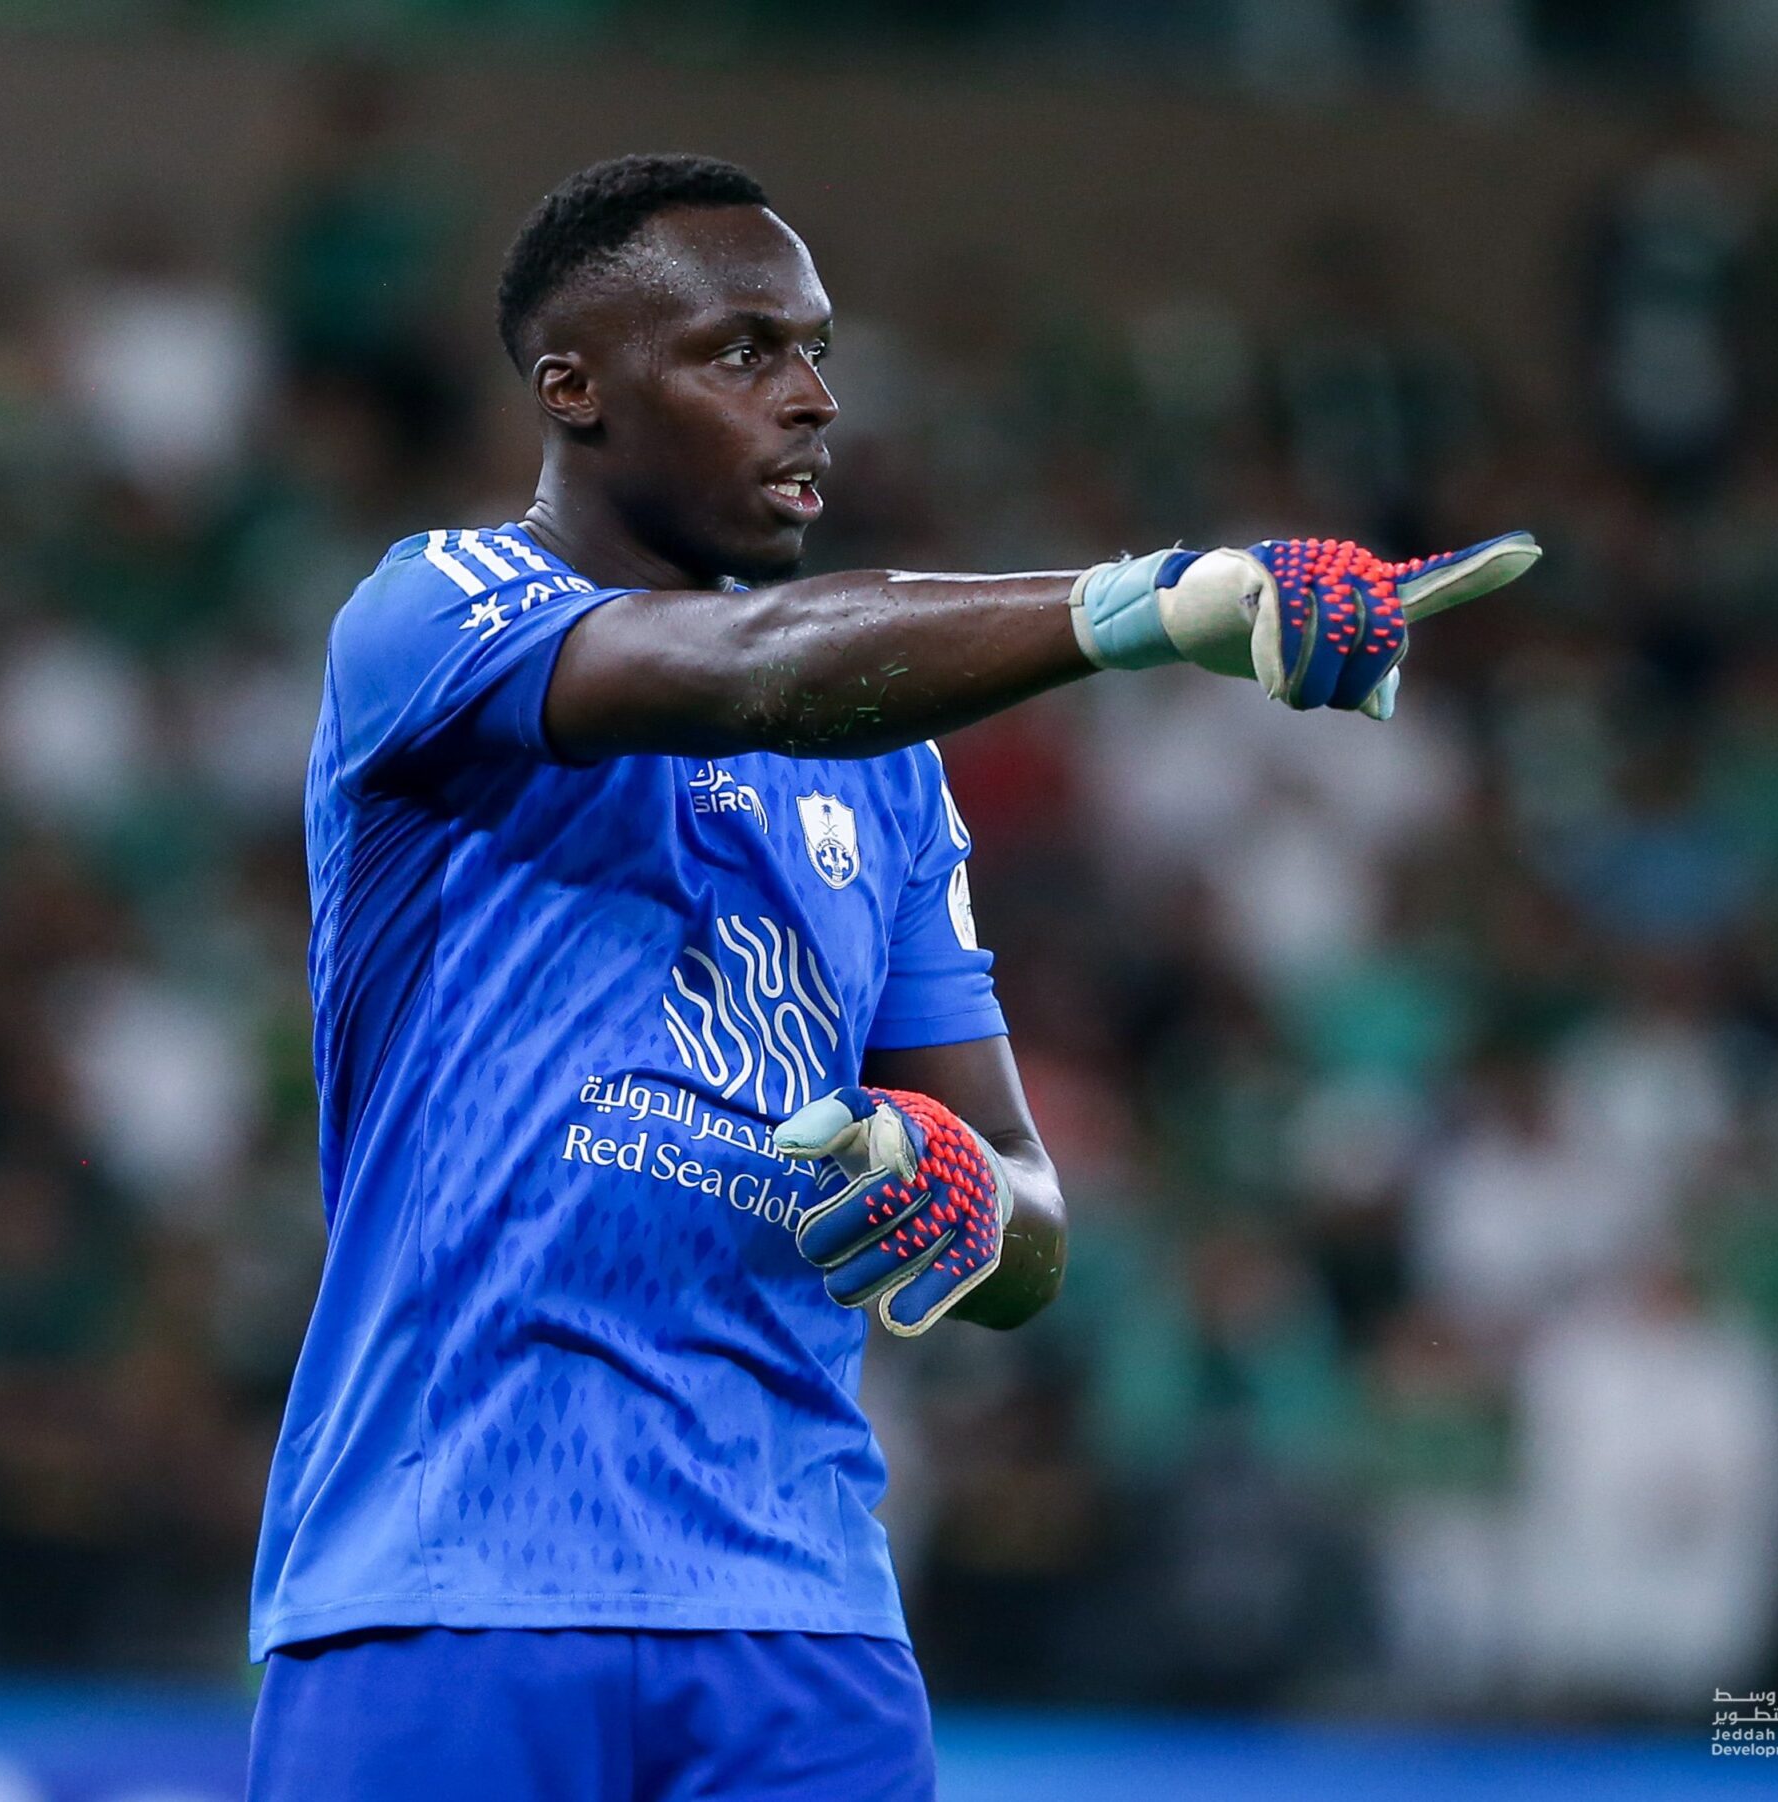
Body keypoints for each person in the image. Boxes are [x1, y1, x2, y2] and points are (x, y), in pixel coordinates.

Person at [246, 152, 1535, 1801]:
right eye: (743, 352)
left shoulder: (891, 775)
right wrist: (1141, 607)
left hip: (804, 1623)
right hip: (448, 1584)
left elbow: (1027, 1216)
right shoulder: (432, 612)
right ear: (572, 389)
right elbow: (752, 671)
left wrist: (964, 1198)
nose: (807, 402)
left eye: (817, 354)